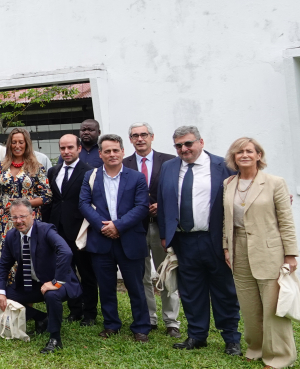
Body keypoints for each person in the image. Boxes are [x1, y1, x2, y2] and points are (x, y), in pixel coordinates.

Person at [157, 125, 241, 354]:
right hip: (184, 241)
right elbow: (163, 203)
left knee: (224, 290)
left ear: (201, 142)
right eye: (179, 145)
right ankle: (197, 335)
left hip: (215, 240)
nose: (184, 149)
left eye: (188, 143)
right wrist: (165, 235)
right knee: (191, 291)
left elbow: (244, 191)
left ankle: (231, 339)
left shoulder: (223, 166)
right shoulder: (169, 167)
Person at [222, 137, 298, 369]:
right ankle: (255, 349)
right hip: (238, 249)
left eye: (249, 151)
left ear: (258, 155)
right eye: (239, 152)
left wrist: (290, 254)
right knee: (248, 304)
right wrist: (226, 247)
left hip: (269, 250)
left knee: (273, 305)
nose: (244, 155)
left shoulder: (275, 182)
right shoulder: (228, 183)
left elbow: (285, 220)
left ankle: (279, 357)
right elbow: (227, 220)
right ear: (233, 158)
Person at [79, 134, 151, 341]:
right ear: (100, 154)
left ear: (123, 152)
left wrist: (118, 226)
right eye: (107, 151)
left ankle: (141, 327)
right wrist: (104, 226)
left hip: (130, 239)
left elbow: (141, 207)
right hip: (101, 239)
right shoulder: (91, 176)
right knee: (106, 286)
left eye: (115, 150)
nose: (112, 154)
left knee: (136, 286)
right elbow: (83, 204)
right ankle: (111, 324)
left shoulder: (136, 177)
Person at [0, 199, 81, 354]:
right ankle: (41, 318)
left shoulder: (46, 230)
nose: (19, 221)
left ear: (32, 215)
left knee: (52, 294)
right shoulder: (12, 236)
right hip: (31, 284)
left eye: (23, 216)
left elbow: (66, 252)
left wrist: (56, 282)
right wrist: (0, 290)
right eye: (14, 217)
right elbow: (3, 265)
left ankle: (55, 338)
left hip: (59, 283)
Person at [123, 122, 180, 337]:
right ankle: (149, 317)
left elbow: (176, 191)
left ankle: (171, 321)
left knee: (166, 273)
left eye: (144, 135)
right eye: (135, 135)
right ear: (130, 140)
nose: (140, 139)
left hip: (161, 227)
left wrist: (162, 206)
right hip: (135, 228)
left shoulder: (169, 161)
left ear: (152, 137)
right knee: (142, 276)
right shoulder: (124, 163)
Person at [44, 134, 96, 325]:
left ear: (79, 149)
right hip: (57, 230)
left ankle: (90, 313)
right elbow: (51, 201)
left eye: (70, 148)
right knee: (66, 271)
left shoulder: (89, 172)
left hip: (80, 230)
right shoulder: (53, 171)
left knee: (86, 272)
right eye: (63, 148)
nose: (66, 152)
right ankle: (75, 309)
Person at [0, 128, 51, 262]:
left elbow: (47, 196)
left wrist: (24, 204)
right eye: (14, 142)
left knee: (27, 257)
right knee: (4, 260)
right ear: (9, 145)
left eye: (21, 142)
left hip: (27, 220)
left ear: (27, 144)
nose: (17, 146)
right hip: (3, 222)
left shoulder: (36, 167)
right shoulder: (0, 167)